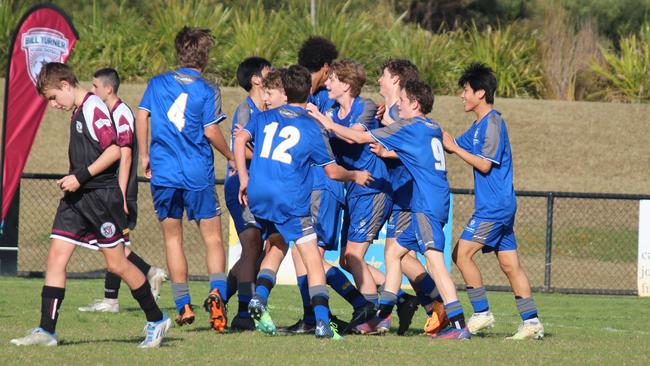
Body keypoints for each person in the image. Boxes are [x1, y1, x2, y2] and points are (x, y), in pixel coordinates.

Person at [10, 62, 170, 348]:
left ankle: (157, 320)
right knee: (56, 257)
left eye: (52, 97)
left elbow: (114, 151)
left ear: (64, 85)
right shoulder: (78, 111)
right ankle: (47, 331)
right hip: (77, 198)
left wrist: (79, 176)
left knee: (118, 264)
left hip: (100, 197)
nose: (53, 104)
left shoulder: (94, 107)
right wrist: (76, 182)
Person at [309, 79, 471, 340]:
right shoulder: (432, 126)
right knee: (395, 252)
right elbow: (419, 156)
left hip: (426, 204)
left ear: (415, 104)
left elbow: (358, 136)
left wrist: (324, 120)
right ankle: (382, 316)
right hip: (433, 199)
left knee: (435, 262)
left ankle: (458, 324)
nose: (400, 107)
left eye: (403, 102)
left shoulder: (409, 126)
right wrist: (388, 153)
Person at [234, 65, 373, 339]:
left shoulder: (264, 117)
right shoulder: (312, 127)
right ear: (310, 92)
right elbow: (332, 171)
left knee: (275, 244)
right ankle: (321, 321)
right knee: (312, 258)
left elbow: (240, 138)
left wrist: (243, 178)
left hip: (259, 192)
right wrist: (355, 174)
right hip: (290, 197)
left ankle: (258, 298)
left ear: (284, 92)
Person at [135, 27, 229, 332]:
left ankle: (183, 304)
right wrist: (231, 156)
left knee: (172, 239)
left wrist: (145, 155)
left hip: (164, 172)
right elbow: (211, 131)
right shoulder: (208, 89)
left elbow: (141, 115)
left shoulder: (157, 83)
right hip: (198, 172)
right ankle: (216, 295)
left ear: (179, 53)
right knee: (212, 238)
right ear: (204, 57)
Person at [443, 62, 544, 340]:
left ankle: (481, 314)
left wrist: (454, 147)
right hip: (497, 206)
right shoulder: (477, 126)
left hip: (495, 206)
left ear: (481, 93)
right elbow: (450, 144)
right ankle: (532, 321)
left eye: (465, 90)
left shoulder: (493, 124)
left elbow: (485, 165)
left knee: (461, 255)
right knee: (510, 265)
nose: (462, 96)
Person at [78, 68, 166, 314]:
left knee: (114, 243)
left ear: (108, 88)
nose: (92, 90)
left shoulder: (122, 113)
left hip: (119, 191)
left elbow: (125, 157)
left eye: (95, 86)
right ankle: (132, 285)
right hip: (112, 190)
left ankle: (125, 291)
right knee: (113, 243)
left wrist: (119, 195)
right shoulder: (108, 113)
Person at [374, 59, 447, 336]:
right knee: (397, 255)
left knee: (400, 255)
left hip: (410, 193)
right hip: (401, 192)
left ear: (395, 80)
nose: (379, 80)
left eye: (382, 75)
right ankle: (430, 306)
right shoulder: (392, 111)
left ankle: (437, 306)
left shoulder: (398, 112)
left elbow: (410, 144)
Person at [224, 57, 271, 331]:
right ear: (255, 79)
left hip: (262, 188)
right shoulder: (246, 110)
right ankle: (244, 314)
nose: (272, 73)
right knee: (252, 245)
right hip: (241, 187)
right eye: (268, 71)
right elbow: (239, 149)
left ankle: (218, 296)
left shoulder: (268, 109)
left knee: (257, 252)